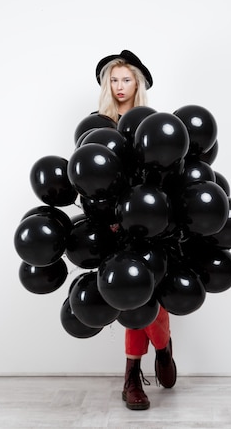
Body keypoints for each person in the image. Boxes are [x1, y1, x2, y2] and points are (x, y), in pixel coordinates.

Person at [95, 49, 177, 411]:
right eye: (113, 80)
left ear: (138, 83)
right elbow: (89, 181)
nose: (119, 86)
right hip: (114, 227)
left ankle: (162, 348)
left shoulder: (153, 124)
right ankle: (132, 377)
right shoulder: (96, 125)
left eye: (126, 79)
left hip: (151, 222)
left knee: (153, 298)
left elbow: (165, 175)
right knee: (131, 296)